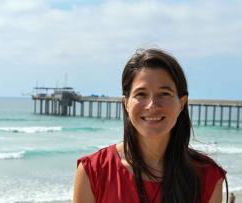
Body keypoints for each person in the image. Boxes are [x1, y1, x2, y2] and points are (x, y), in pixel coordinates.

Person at [73, 48, 226, 203]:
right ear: (126, 103)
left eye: (164, 94)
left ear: (182, 103)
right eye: (141, 94)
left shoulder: (207, 176)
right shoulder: (94, 171)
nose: (152, 105)